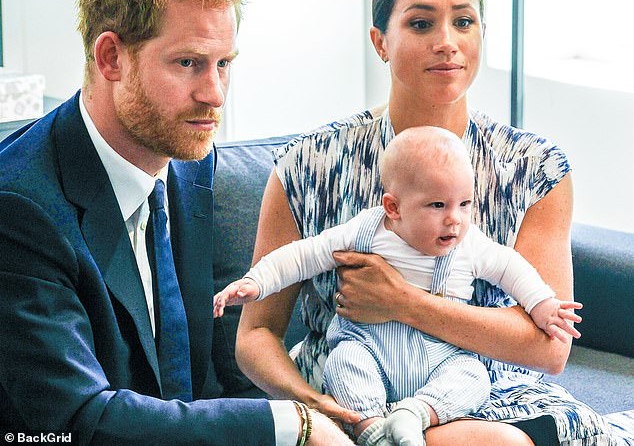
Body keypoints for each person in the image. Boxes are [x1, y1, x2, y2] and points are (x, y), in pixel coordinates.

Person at [235, 0, 615, 446]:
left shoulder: (534, 168)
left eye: (464, 22)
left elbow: (548, 348)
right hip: (349, 384)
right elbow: (255, 334)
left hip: (488, 391)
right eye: (420, 24)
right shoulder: (308, 164)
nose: (447, 43)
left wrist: (402, 301)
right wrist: (312, 403)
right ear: (380, 42)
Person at [0, 0, 354, 445]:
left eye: (224, 63)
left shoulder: (186, 162)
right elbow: (78, 421)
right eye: (188, 63)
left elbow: (189, 384)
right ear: (110, 58)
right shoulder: (20, 209)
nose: (214, 95)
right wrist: (291, 423)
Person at [214, 126, 583, 445]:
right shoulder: (366, 231)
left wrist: (543, 305)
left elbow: (512, 269)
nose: (454, 220)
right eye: (437, 205)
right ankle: (371, 427)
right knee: (343, 363)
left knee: (472, 376)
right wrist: (256, 282)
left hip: (441, 356)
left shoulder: (469, 244)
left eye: (465, 204)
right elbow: (303, 255)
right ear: (393, 208)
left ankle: (415, 413)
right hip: (368, 345)